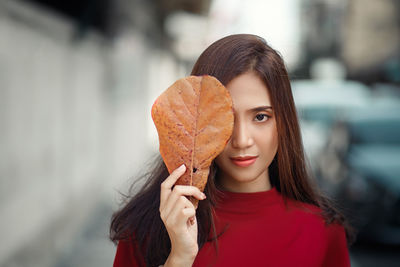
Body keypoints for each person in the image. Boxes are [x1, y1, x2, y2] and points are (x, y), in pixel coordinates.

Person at [110, 34, 355, 267]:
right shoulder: (147, 228)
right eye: (225, 118)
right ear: (195, 124)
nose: (242, 140)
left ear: (284, 122)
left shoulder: (323, 231)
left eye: (260, 116)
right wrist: (179, 259)